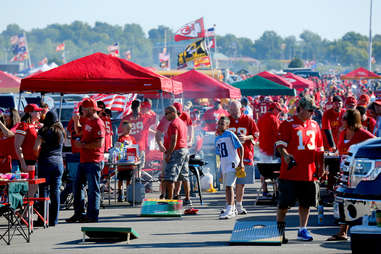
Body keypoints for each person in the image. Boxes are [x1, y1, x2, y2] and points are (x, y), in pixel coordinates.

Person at [275, 97, 325, 243]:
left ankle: (302, 229)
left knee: (306, 204)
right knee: (284, 205)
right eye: (310, 110)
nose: (312, 113)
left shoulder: (315, 125)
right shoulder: (288, 124)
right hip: (290, 173)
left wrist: (321, 168)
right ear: (301, 109)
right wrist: (285, 155)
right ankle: (280, 231)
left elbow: (320, 150)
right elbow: (280, 145)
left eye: (313, 110)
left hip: (309, 173)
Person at [327, 109, 375, 241]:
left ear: (351, 120)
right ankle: (342, 232)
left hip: (358, 173)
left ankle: (353, 230)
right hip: (344, 171)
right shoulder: (342, 133)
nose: (341, 120)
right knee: (342, 198)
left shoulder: (363, 134)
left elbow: (376, 144)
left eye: (344, 118)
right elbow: (340, 150)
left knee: (355, 199)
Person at [66, 98, 105, 223]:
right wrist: (77, 122)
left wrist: (82, 146)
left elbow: (100, 143)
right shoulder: (88, 120)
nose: (81, 110)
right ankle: (79, 213)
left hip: (94, 160)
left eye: (83, 108)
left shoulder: (98, 123)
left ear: (90, 109)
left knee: (93, 189)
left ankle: (92, 215)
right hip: (85, 159)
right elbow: (80, 132)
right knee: (77, 186)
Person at [33, 111, 65, 227]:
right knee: (55, 191)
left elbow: (36, 148)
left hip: (46, 161)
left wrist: (38, 157)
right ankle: (54, 220)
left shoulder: (44, 131)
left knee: (44, 190)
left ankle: (42, 219)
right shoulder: (61, 131)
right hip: (58, 162)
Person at [228, 100, 258, 214]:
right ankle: (230, 206)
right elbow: (218, 133)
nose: (233, 113)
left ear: (240, 109)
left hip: (244, 155)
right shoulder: (226, 120)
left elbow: (255, 134)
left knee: (241, 182)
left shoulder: (248, 119)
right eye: (231, 110)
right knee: (230, 183)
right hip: (230, 156)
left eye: (235, 110)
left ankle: (239, 205)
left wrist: (245, 137)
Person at [215, 116, 244, 219]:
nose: (220, 125)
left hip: (232, 163)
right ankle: (230, 207)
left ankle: (230, 209)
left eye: (222, 123)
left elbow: (240, 146)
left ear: (227, 125)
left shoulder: (230, 134)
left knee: (229, 186)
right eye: (219, 123)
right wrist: (220, 168)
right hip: (224, 164)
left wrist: (241, 162)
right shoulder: (217, 138)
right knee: (226, 187)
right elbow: (219, 155)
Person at [160, 106, 190, 203]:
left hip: (177, 151)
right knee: (184, 176)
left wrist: (169, 153)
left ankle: (170, 200)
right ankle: (187, 198)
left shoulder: (173, 124)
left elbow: (174, 140)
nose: (165, 116)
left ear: (173, 113)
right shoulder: (182, 122)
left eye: (167, 113)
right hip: (184, 150)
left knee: (170, 177)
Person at [257, 102, 282, 197]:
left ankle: (265, 191)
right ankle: (276, 191)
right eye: (278, 110)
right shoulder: (274, 119)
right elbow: (279, 135)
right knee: (276, 172)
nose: (279, 112)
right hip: (272, 150)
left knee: (263, 171)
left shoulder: (261, 118)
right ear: (273, 109)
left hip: (262, 149)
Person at [15, 104, 44, 179]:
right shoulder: (23, 125)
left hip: (38, 160)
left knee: (35, 184)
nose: (40, 113)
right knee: (30, 184)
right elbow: (17, 146)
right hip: (28, 160)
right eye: (37, 111)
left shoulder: (38, 125)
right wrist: (23, 163)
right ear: (30, 113)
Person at [116, 120, 137, 202]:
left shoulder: (132, 138)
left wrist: (136, 158)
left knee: (129, 180)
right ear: (123, 129)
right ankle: (120, 194)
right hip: (122, 164)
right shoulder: (120, 138)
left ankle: (127, 194)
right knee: (120, 180)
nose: (129, 130)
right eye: (127, 128)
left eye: (130, 128)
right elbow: (117, 149)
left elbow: (135, 149)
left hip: (130, 164)